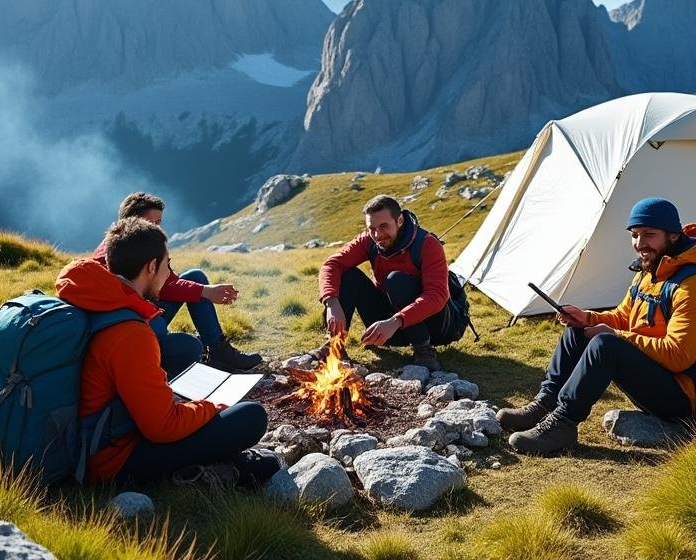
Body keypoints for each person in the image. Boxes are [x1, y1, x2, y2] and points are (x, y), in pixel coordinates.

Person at [57, 217, 278, 486]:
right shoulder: (131, 332)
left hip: (96, 433)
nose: (169, 275)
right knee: (250, 417)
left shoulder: (96, 299)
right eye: (167, 265)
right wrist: (211, 407)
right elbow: (163, 428)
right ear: (151, 267)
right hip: (112, 459)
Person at [499, 197, 696, 455]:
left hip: (687, 398)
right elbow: (624, 317)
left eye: (649, 234)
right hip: (659, 376)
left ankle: (563, 424)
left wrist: (615, 335)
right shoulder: (651, 271)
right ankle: (545, 404)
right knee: (578, 331)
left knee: (607, 345)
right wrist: (587, 318)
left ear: (673, 235)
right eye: (635, 235)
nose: (640, 244)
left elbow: (678, 355)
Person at [95, 192, 262, 372]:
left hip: (147, 310)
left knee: (195, 277)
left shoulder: (142, 244)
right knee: (188, 343)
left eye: (158, 223)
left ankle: (218, 351)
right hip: (133, 323)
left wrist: (202, 289)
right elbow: (165, 288)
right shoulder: (114, 252)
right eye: (150, 223)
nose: (156, 229)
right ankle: (205, 352)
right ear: (132, 222)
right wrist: (204, 291)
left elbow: (169, 281)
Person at [317, 194, 451, 372]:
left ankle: (425, 353)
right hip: (387, 327)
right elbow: (331, 265)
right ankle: (334, 347)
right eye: (372, 228)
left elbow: (437, 295)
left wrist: (396, 321)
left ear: (400, 221)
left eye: (384, 226)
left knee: (396, 280)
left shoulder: (427, 244)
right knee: (348, 275)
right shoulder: (368, 241)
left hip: (429, 326)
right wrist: (332, 303)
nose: (377, 235)